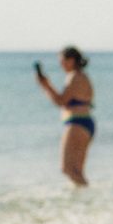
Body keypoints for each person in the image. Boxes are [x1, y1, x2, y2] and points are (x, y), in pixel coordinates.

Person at [33, 46, 95, 187]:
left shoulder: (74, 77)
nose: (60, 65)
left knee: (67, 169)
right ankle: (85, 201)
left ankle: (84, 200)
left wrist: (45, 85)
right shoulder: (83, 77)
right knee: (77, 171)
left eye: (62, 61)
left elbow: (61, 101)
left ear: (71, 60)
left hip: (77, 123)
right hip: (86, 122)